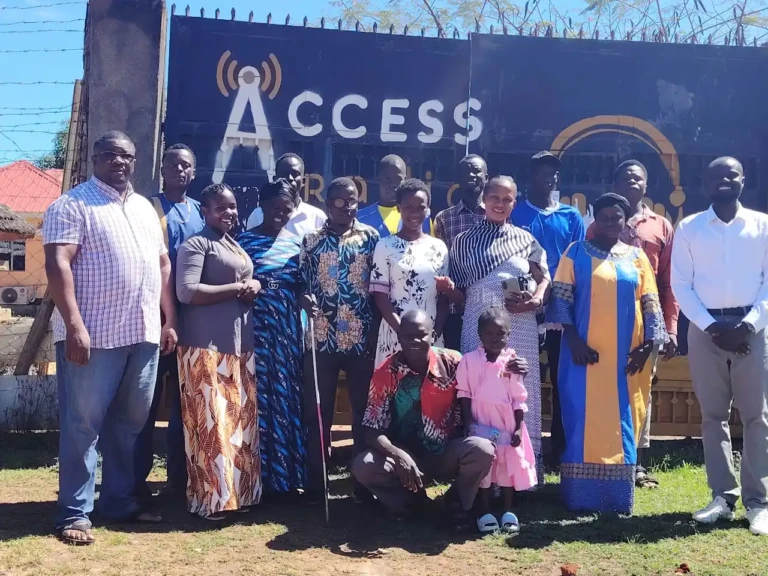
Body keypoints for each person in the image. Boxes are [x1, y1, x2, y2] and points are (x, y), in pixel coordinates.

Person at [43, 130, 176, 545]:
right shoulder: (71, 205)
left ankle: (118, 502)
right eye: (109, 155)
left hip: (142, 333)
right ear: (94, 159)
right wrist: (75, 325)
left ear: (136, 162)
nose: (119, 162)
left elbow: (163, 264)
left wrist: (169, 319)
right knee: (83, 426)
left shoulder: (143, 209)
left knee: (130, 425)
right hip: (93, 336)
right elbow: (57, 264)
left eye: (126, 155)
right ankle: (74, 514)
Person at [546, 193, 667, 514]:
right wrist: (573, 341)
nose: (612, 223)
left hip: (629, 363)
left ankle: (618, 498)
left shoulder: (638, 258)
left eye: (618, 217)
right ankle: (579, 496)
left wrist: (648, 346)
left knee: (624, 422)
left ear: (625, 221)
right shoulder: (576, 253)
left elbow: (651, 303)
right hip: (583, 359)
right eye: (605, 217)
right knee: (581, 421)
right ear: (594, 220)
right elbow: (561, 301)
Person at [671, 156, 768, 536]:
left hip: (753, 329)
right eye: (716, 176)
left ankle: (758, 502)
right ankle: (722, 496)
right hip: (705, 329)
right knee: (713, 415)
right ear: (705, 183)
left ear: (744, 180)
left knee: (757, 416)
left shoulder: (762, 225)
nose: (725, 180)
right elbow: (682, 284)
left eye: (732, 174)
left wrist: (747, 325)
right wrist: (713, 327)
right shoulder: (691, 227)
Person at [443, 175, 550, 481]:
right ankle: (481, 475)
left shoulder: (525, 238)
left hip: (520, 327)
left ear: (514, 203)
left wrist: (535, 301)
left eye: (507, 199)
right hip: (478, 325)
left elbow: (545, 278)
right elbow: (460, 295)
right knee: (479, 392)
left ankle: (522, 475)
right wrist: (448, 289)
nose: (500, 204)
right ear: (484, 200)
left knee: (518, 392)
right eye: (495, 198)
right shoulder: (463, 243)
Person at [351, 310, 496, 530]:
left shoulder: (454, 362)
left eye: (421, 335)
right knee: (364, 466)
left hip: (446, 452)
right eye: (408, 336)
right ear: (399, 337)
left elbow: (487, 377)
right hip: (404, 457)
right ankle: (409, 501)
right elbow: (371, 431)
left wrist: (511, 367)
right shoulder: (386, 372)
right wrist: (399, 455)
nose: (415, 341)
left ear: (433, 335)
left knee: (482, 450)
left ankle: (456, 501)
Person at [588, 159, 679, 489]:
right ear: (614, 183)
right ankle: (605, 457)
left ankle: (636, 462)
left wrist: (668, 329)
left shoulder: (661, 226)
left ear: (646, 185)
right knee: (604, 391)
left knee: (640, 393)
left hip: (646, 325)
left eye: (638, 178)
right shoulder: (599, 224)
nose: (632, 182)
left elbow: (668, 282)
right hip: (603, 326)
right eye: (625, 177)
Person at [175, 183, 261, 520]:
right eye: (220, 208)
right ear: (205, 211)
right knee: (210, 425)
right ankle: (210, 500)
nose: (229, 212)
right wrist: (238, 288)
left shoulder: (232, 243)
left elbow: (243, 282)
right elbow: (187, 291)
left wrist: (254, 285)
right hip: (204, 347)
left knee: (236, 422)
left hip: (237, 347)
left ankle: (241, 494)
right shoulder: (196, 244)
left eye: (233, 207)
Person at [300, 177, 380, 502]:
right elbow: (300, 284)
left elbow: (378, 289)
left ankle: (361, 481)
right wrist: (303, 299)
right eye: (340, 201)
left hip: (360, 339)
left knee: (362, 412)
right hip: (321, 339)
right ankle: (318, 482)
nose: (347, 207)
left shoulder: (371, 238)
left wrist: (375, 333)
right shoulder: (311, 241)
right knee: (318, 412)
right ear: (326, 203)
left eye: (352, 201)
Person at [135, 143, 204, 502]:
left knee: (184, 407)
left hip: (190, 324)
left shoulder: (201, 213)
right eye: (174, 164)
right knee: (144, 406)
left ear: (194, 172)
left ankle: (180, 482)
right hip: (152, 320)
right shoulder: (147, 208)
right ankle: (136, 484)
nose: (180, 170)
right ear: (162, 169)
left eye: (186, 165)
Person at [511, 151, 585, 468]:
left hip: (560, 312)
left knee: (561, 379)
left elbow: (580, 263)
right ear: (531, 178)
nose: (550, 178)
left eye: (554, 174)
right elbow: (507, 257)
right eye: (543, 173)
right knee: (518, 378)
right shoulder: (516, 213)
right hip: (523, 309)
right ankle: (519, 446)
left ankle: (560, 450)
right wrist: (516, 300)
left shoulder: (571, 216)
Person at [238, 179, 306, 497]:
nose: (280, 213)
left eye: (286, 209)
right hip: (256, 334)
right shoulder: (243, 242)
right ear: (262, 206)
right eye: (274, 207)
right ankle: (255, 479)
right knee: (256, 404)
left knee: (285, 403)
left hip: (286, 336)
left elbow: (305, 286)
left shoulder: (299, 244)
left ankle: (286, 481)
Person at [457, 308, 536, 534]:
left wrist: (519, 428)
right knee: (486, 466)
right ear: (480, 336)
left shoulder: (513, 363)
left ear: (509, 335)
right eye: (489, 334)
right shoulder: (469, 361)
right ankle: (485, 510)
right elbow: (464, 393)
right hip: (481, 421)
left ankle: (508, 510)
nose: (495, 338)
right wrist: (468, 422)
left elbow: (519, 398)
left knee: (507, 464)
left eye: (500, 334)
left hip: (506, 422)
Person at [370, 178, 449, 367]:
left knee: (430, 392)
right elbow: (380, 296)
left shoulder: (439, 247)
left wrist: (434, 333)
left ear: (428, 209)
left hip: (430, 337)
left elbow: (444, 296)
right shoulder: (385, 246)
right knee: (394, 392)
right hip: (395, 334)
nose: (415, 213)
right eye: (408, 207)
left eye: (421, 207)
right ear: (398, 208)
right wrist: (404, 334)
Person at [434, 154, 488, 351]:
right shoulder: (444, 219)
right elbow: (441, 264)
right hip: (454, 310)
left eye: (477, 171)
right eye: (466, 172)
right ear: (457, 178)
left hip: (489, 309)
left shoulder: (498, 215)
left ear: (486, 177)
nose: (472, 175)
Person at [246, 153, 327, 237]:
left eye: (295, 174)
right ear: (275, 179)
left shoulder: (317, 217)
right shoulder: (258, 215)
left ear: (303, 181)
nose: (290, 178)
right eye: (284, 174)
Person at [358, 154, 432, 237]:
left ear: (405, 180)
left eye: (398, 179)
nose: (392, 184)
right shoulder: (360, 218)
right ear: (378, 179)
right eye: (386, 179)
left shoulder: (422, 217)